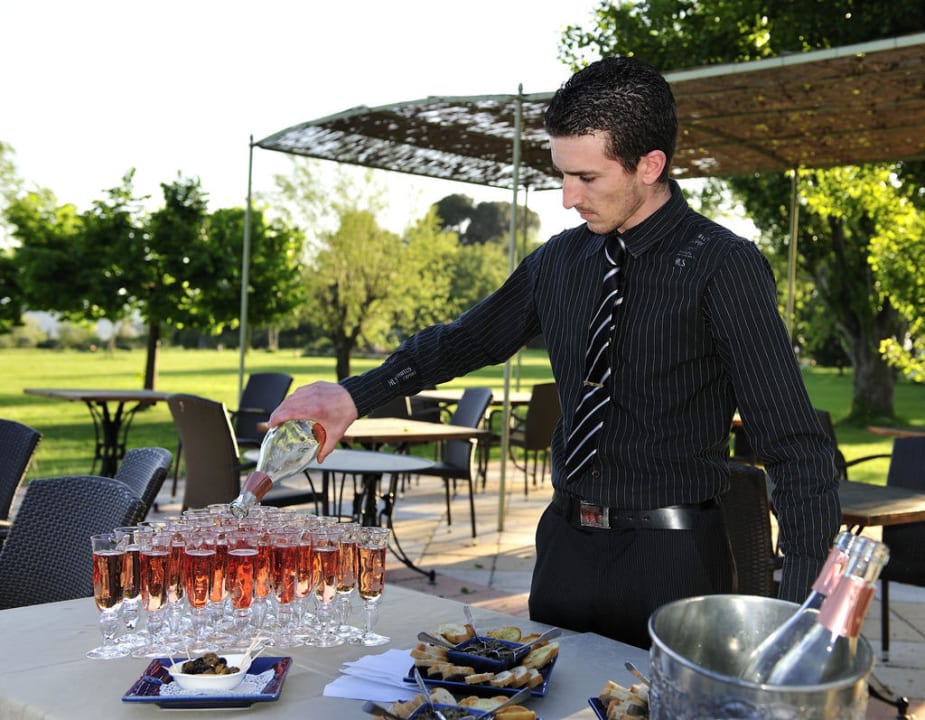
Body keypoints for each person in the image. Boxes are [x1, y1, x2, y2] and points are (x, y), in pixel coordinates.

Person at [269, 56, 841, 649]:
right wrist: (353, 394)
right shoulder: (560, 260)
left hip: (677, 561)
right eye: (561, 174)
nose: (567, 198)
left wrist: (807, 609)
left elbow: (795, 445)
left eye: (587, 178)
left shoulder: (724, 265)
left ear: (650, 165)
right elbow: (465, 340)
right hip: (565, 549)